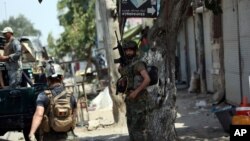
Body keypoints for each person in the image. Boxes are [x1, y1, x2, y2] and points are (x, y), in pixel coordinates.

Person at [29, 63, 78, 141]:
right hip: (68, 136)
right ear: (62, 78)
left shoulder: (43, 95)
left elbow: (39, 114)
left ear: (47, 79)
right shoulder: (70, 95)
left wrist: (32, 133)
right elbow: (74, 115)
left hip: (50, 137)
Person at [117, 40, 151, 141]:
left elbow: (147, 79)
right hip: (130, 100)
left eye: (130, 50)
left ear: (135, 51)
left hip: (140, 100)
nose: (128, 53)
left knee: (139, 129)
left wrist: (136, 92)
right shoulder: (126, 64)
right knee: (131, 127)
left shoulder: (138, 63)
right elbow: (124, 77)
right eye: (126, 51)